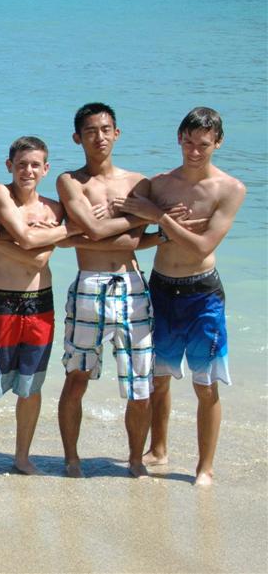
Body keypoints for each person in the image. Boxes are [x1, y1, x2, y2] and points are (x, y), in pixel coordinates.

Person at [116, 107, 245, 486]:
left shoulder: (230, 189)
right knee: (158, 379)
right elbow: (129, 228)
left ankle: (205, 467)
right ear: (179, 139)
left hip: (202, 293)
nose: (194, 151)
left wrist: (160, 217)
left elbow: (203, 245)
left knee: (205, 385)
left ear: (218, 143)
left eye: (203, 144)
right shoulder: (159, 184)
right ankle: (158, 449)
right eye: (188, 142)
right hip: (160, 288)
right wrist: (149, 217)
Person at [56, 102, 159, 478]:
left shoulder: (139, 183)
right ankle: (71, 458)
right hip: (89, 285)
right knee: (76, 376)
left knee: (139, 382)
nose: (98, 137)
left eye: (105, 129)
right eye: (90, 131)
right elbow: (102, 231)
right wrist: (135, 217)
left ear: (116, 133)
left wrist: (96, 232)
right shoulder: (70, 181)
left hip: (132, 286)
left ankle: (135, 461)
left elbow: (127, 242)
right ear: (77, 138)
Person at [0, 136, 78, 476]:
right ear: (9, 166)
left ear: (46, 169)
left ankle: (22, 457)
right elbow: (35, 249)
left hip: (40, 303)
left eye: (34, 165)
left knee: (31, 386)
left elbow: (40, 258)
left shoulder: (54, 209)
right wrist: (51, 234)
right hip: (4, 301)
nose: (27, 171)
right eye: (21, 164)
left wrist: (4, 240)